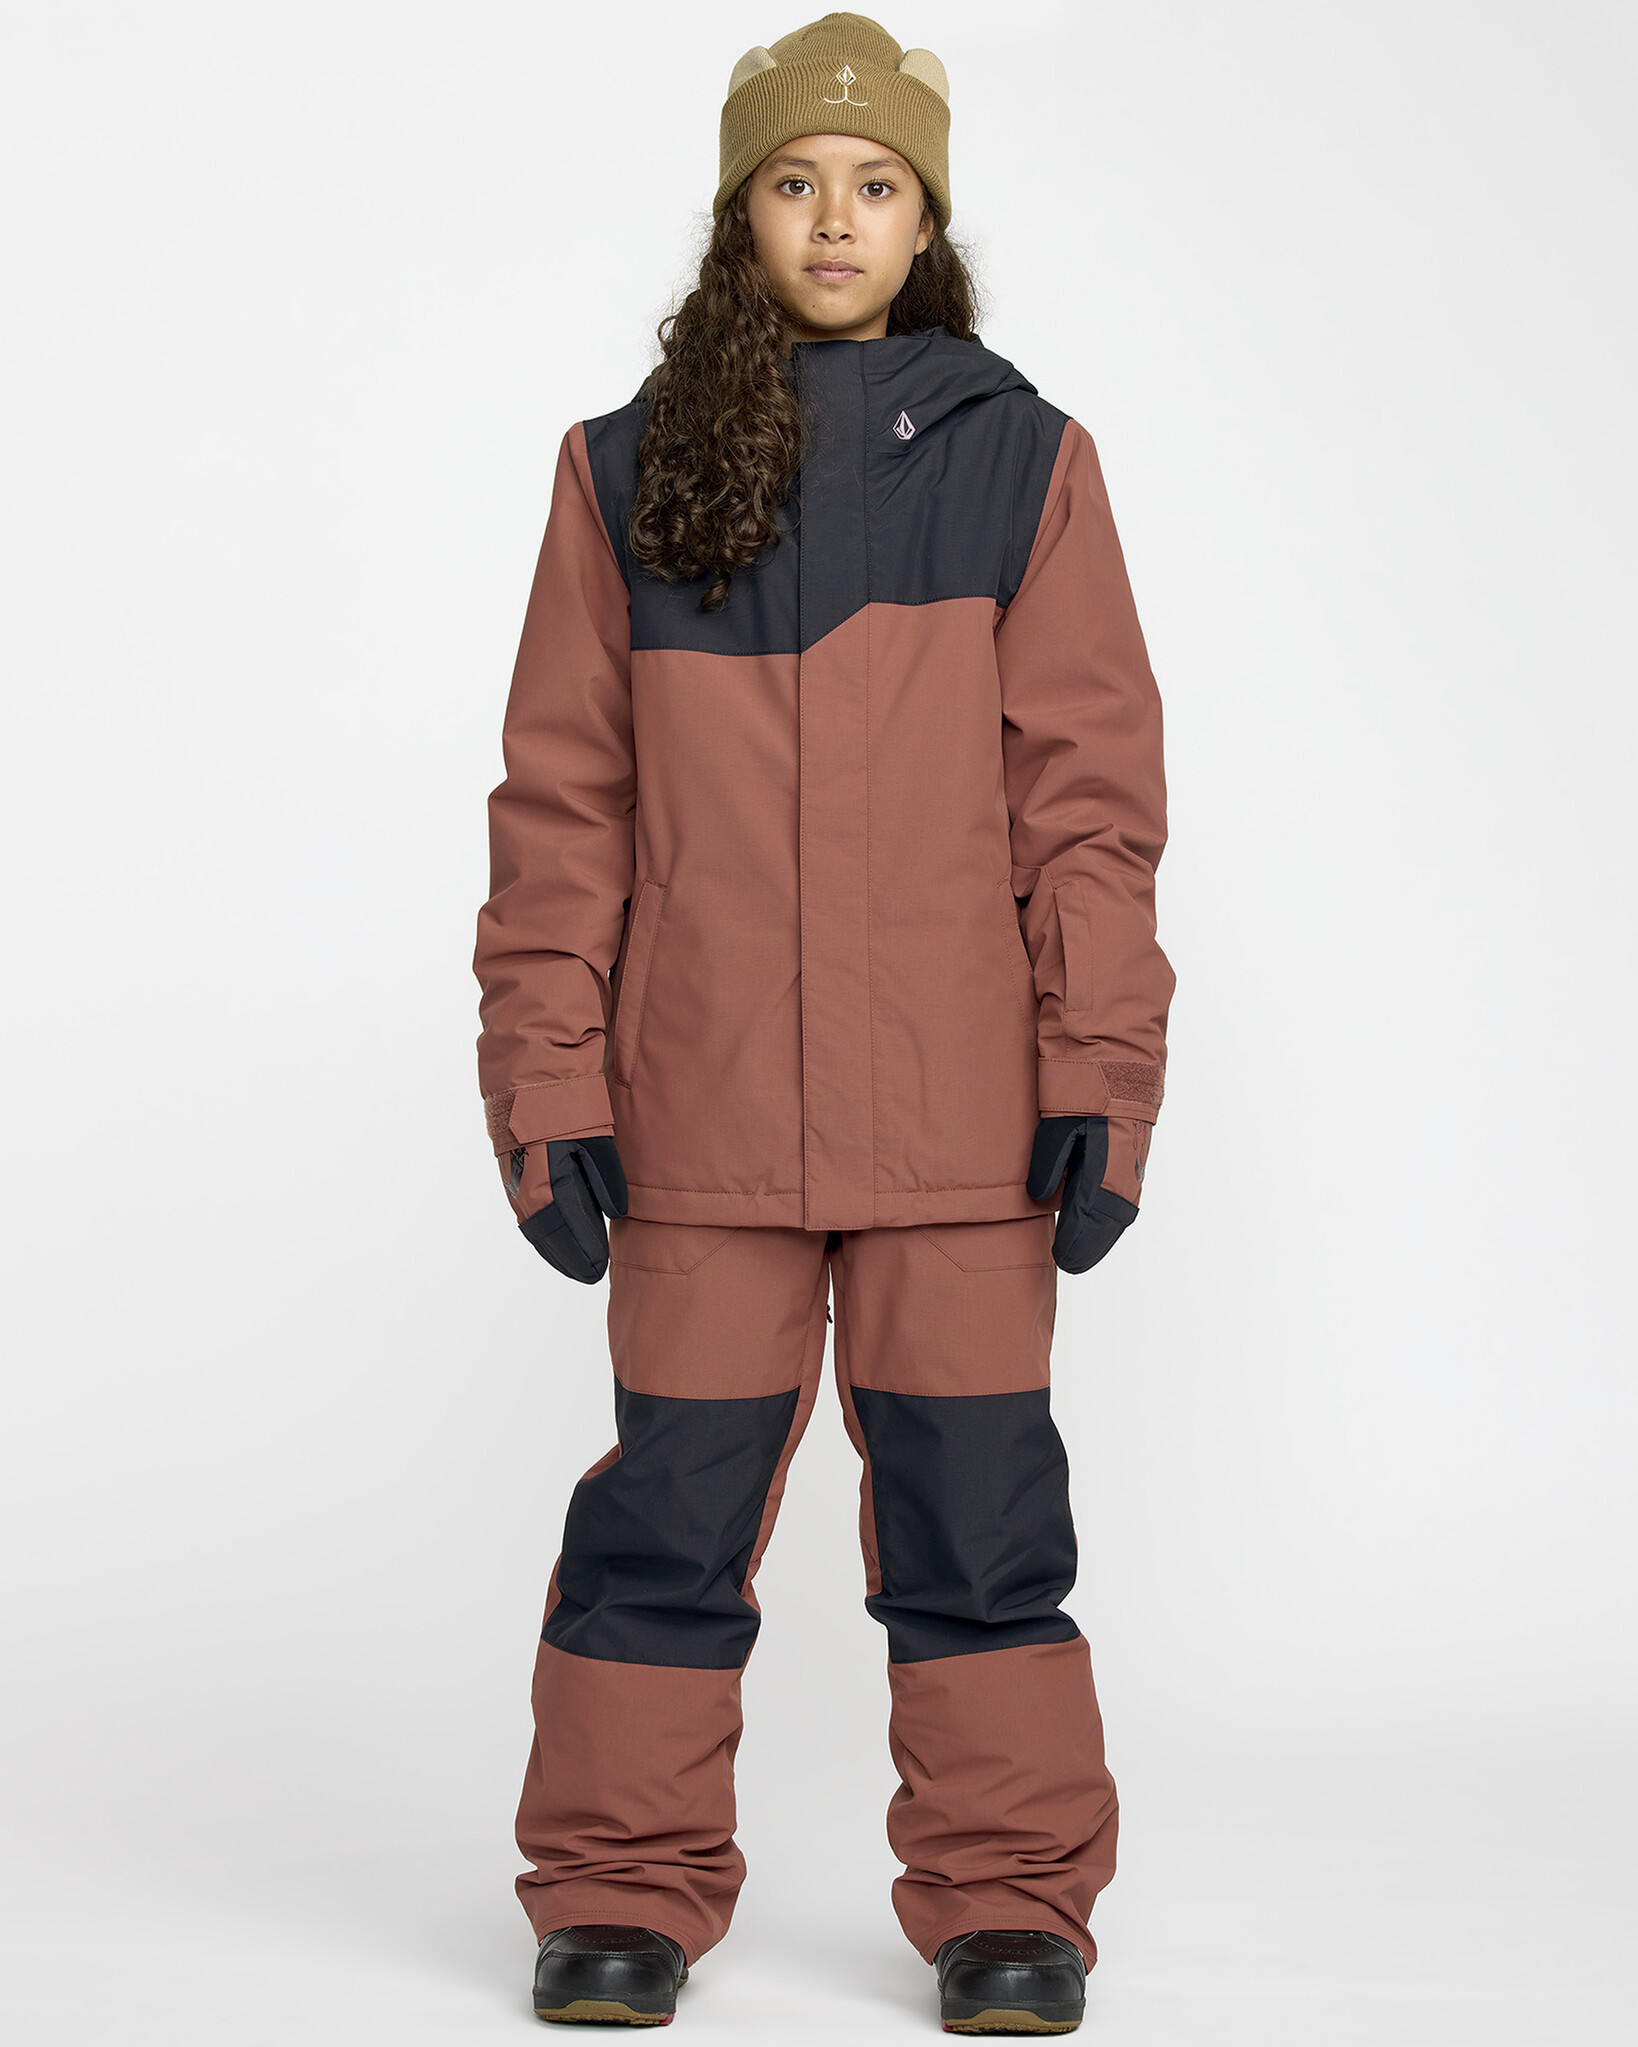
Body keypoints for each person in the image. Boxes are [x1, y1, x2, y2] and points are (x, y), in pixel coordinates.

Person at [472, 12, 1174, 2032]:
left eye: (875, 184)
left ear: (926, 219)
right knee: (665, 1520)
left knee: (982, 1523)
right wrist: (547, 1086)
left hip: (962, 1123)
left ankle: (1009, 1905)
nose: (836, 218)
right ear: (742, 215)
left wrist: (1099, 1077)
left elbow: (1089, 804)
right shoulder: (621, 474)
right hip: (701, 1118)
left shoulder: (1027, 465)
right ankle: (617, 1892)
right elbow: (563, 811)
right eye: (795, 182)